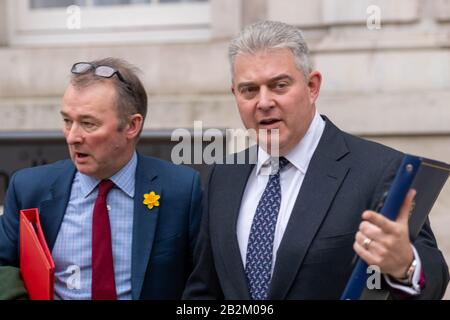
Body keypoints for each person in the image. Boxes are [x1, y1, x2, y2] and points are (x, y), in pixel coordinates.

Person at [183, 21, 449, 299]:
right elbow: (204, 289)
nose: (263, 102)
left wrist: (405, 265)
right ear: (235, 94)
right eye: (249, 90)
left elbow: (434, 279)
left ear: (312, 87)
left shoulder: (379, 170)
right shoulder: (223, 175)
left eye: (279, 85)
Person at [0, 57, 202, 300]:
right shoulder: (30, 188)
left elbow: (202, 283)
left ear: (131, 126)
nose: (72, 137)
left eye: (88, 123)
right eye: (67, 121)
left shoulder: (181, 190)